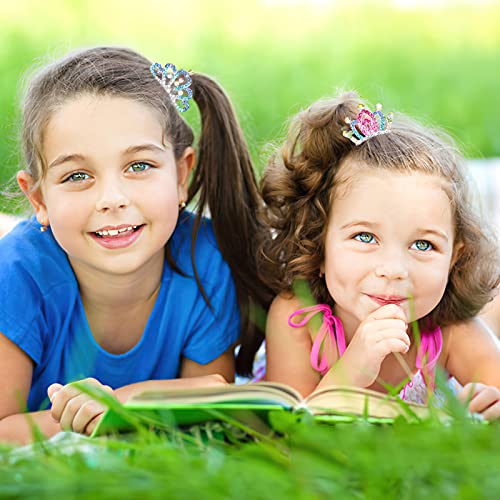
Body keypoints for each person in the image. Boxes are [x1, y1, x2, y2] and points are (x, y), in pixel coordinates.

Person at [0, 46, 271, 444]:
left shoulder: (205, 261)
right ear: (38, 199)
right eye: (77, 175)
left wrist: (122, 405)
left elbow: (211, 405)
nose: (112, 198)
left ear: (181, 175)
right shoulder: (17, 273)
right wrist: (103, 417)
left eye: (139, 166)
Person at [259, 91, 500, 419]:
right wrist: (354, 367)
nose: (393, 269)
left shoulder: (452, 331)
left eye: (423, 245)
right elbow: (287, 427)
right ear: (320, 243)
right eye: (365, 237)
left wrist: (488, 408)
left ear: (455, 257)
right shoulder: (299, 319)